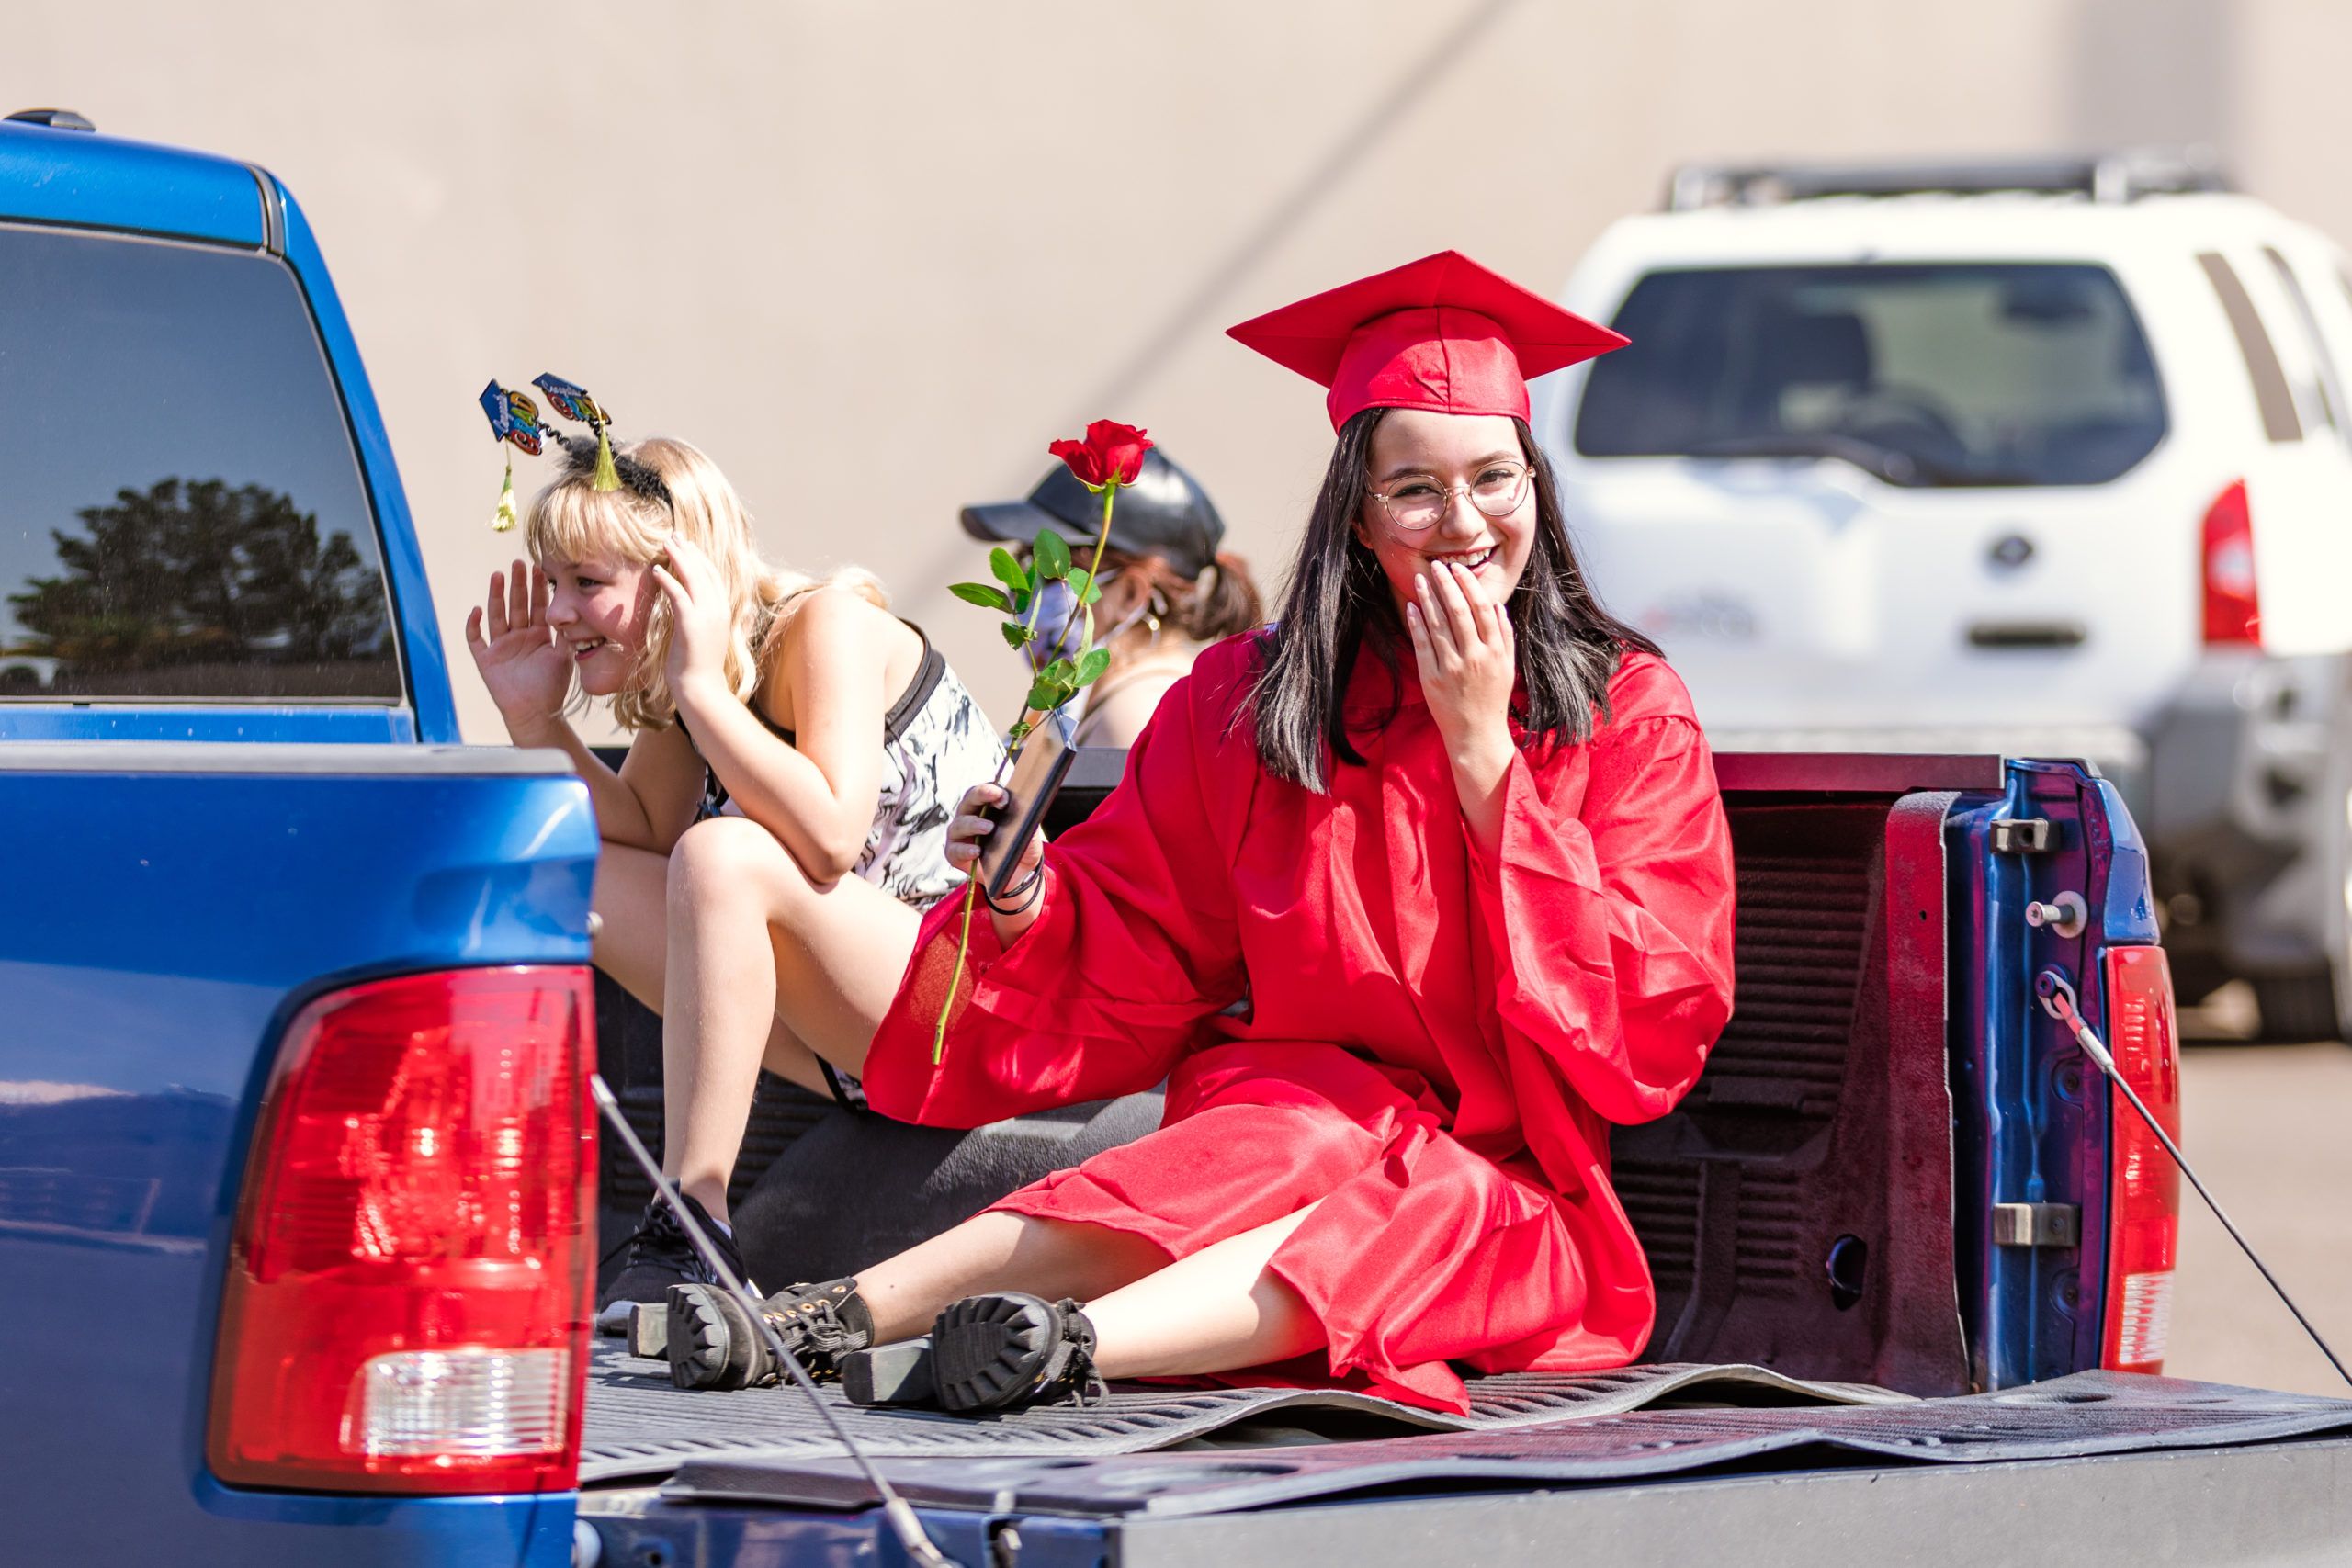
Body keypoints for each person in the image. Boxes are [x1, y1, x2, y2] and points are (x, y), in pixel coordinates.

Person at [661, 252, 1737, 1416]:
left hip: (1517, 1180)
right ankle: (831, 1318)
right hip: (1295, 1111)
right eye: (1415, 488)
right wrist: (1027, 896)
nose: (1463, 521)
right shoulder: (1250, 703)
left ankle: (1069, 1345)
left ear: (1537, 488)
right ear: (1359, 513)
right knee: (1269, 1151)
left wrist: (1484, 756)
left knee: (1431, 1206)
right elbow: (1141, 925)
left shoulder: (1624, 709)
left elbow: (1650, 1014)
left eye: (1494, 479)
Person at [462, 432, 1002, 1328]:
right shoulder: (700, 682)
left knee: (721, 855)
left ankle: (693, 1222)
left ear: (678, 572)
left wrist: (704, 695)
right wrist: (535, 719)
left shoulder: (820, 623)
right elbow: (638, 826)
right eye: (551, 582)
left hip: (962, 1020)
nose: (558, 611)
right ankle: (508, 1201)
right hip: (853, 1036)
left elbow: (829, 838)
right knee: (571, 868)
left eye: (586, 582)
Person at [958, 447, 1262, 746]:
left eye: (1056, 573)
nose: (1028, 591)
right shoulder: (1097, 699)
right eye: (1027, 562)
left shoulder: (1136, 713)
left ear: (1131, 594)